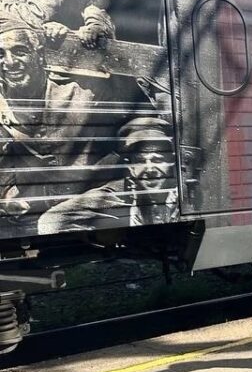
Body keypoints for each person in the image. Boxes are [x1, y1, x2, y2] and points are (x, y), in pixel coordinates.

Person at [0, 15, 105, 234]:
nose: (9, 62)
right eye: (0, 55)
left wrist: (98, 27)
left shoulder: (81, 92)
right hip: (28, 214)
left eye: (20, 51)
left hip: (86, 207)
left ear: (39, 55)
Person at [37, 116, 179, 232]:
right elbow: (50, 221)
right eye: (140, 161)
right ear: (130, 167)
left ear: (171, 161)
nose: (150, 169)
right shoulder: (119, 193)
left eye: (158, 160)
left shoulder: (185, 191)